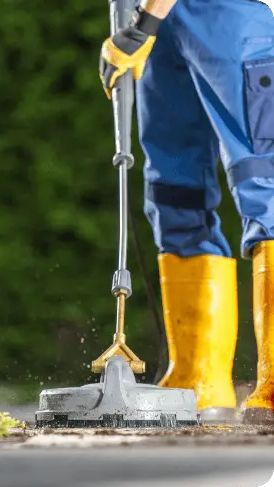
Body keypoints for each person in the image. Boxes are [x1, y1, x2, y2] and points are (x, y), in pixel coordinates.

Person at [99, 0, 274, 423]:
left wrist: (142, 26)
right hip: (161, 27)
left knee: (263, 182)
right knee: (175, 194)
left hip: (231, 17)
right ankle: (199, 378)